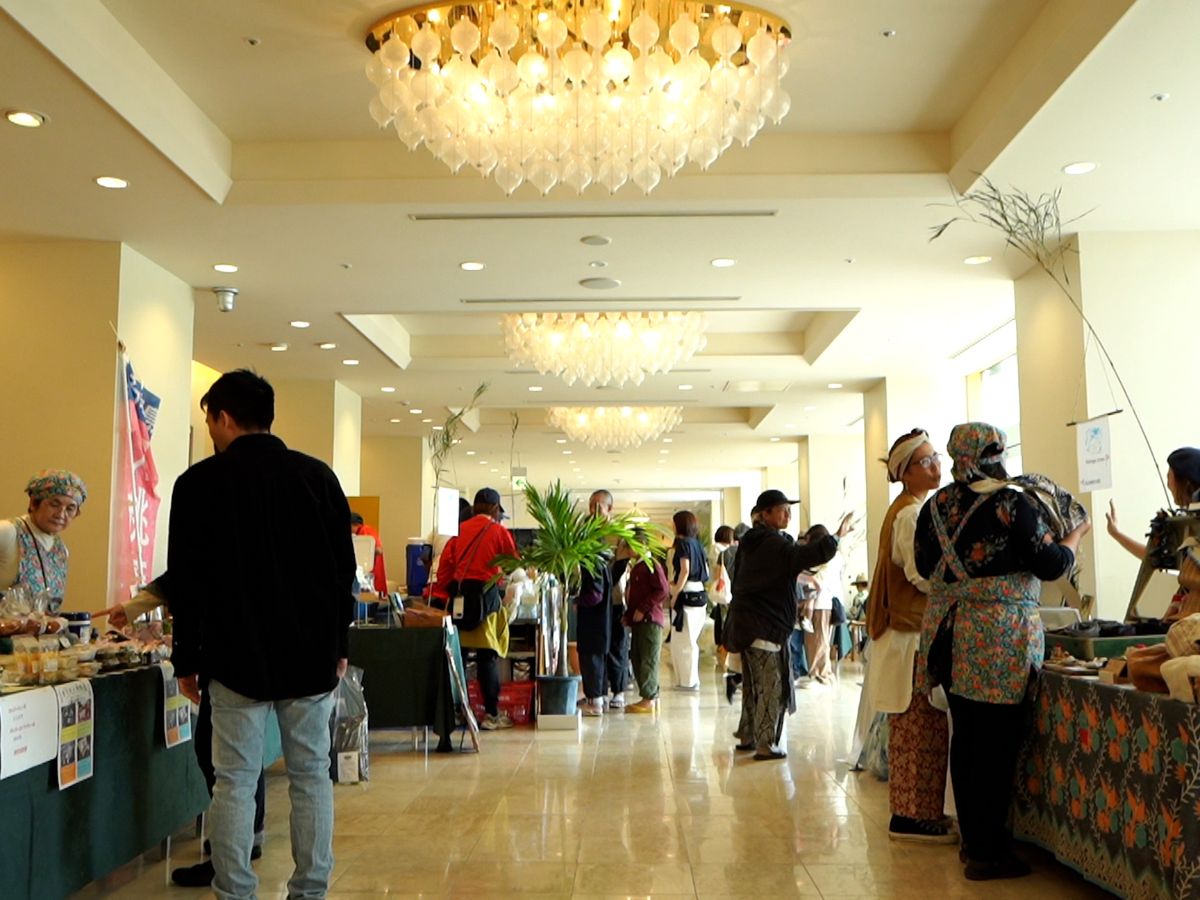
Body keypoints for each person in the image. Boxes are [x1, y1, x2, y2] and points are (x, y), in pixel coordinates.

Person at [166, 369, 356, 900]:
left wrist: (186, 658)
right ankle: (310, 890)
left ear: (223, 417)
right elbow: (344, 573)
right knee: (310, 777)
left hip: (234, 656)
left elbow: (188, 582)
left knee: (234, 782)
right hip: (311, 656)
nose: (210, 430)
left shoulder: (197, 484)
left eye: (209, 419)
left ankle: (236, 891)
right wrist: (341, 646)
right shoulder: (317, 477)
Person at [915, 422, 1089, 881]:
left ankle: (974, 842)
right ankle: (989, 854)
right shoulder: (1013, 501)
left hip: (947, 632)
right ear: (994, 452)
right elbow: (1049, 564)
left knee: (967, 738)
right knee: (996, 744)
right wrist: (1076, 536)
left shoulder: (937, 504)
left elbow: (921, 564)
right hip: (997, 636)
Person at [101, 574, 270, 887]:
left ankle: (231, 855)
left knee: (223, 759)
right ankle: (242, 838)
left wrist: (184, 656)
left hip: (231, 654)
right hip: (257, 649)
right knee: (243, 756)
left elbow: (188, 571)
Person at [863, 429, 955, 844]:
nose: (937, 467)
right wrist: (956, 588)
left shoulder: (911, 507)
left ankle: (916, 812)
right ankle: (913, 815)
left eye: (936, 458)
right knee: (918, 725)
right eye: (926, 462)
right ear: (905, 473)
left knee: (918, 725)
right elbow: (918, 572)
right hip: (909, 634)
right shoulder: (910, 514)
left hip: (907, 634)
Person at [725, 489, 853, 760]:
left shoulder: (754, 542)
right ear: (765, 514)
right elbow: (806, 556)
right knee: (770, 685)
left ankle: (749, 735)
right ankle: (765, 743)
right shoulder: (770, 543)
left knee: (754, 685)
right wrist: (837, 536)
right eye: (782, 509)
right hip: (763, 626)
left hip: (747, 624)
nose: (788, 514)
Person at [432, 487, 519, 730]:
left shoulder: (458, 532)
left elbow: (445, 572)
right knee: (486, 659)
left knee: (458, 659)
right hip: (487, 599)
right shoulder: (498, 531)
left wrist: (449, 593)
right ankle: (491, 714)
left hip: (460, 602)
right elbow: (513, 563)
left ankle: (459, 712)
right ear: (494, 508)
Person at [1107, 447, 1200, 618]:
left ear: (1184, 481)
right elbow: (1153, 557)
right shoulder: (1183, 525)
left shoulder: (1186, 525)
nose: (1167, 484)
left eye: (1169, 477)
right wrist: (1117, 534)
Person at [0, 469, 87, 609]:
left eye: (70, 508)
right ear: (34, 503)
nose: (61, 514)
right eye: (54, 504)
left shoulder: (61, 550)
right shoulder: (9, 532)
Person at [576, 490, 617, 716]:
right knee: (597, 653)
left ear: (609, 509)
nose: (593, 511)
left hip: (596, 612)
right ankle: (598, 696)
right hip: (601, 614)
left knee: (592, 654)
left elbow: (595, 593)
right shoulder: (596, 553)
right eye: (591, 506)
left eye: (598, 507)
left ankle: (596, 700)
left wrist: (578, 601)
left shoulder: (600, 551)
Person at [621, 530, 671, 713]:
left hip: (650, 621)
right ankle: (649, 695)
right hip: (639, 622)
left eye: (629, 546)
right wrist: (629, 616)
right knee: (637, 657)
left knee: (648, 659)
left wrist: (643, 608)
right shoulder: (638, 566)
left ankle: (649, 697)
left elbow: (662, 590)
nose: (627, 550)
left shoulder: (651, 565)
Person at [667, 510, 709, 691]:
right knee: (690, 640)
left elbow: (685, 570)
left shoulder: (683, 544)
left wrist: (675, 591)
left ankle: (687, 681)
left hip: (687, 593)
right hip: (699, 592)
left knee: (684, 640)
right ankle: (688, 680)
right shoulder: (698, 545)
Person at [803, 524, 842, 686]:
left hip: (820, 602)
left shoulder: (828, 558)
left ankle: (819, 673)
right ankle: (820, 671)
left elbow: (818, 578)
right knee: (820, 639)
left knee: (817, 640)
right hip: (824, 602)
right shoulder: (836, 556)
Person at [350, 512, 388, 594]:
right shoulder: (357, 535)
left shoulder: (365, 530)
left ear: (355, 524)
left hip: (371, 573)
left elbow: (379, 550)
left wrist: (364, 550)